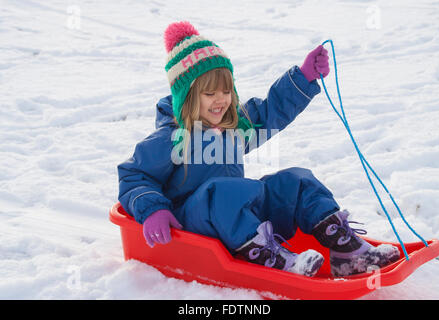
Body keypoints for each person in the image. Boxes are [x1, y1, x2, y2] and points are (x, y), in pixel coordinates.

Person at [117, 21, 400, 277]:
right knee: (222, 191)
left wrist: (303, 77)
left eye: (226, 91)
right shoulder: (172, 137)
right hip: (190, 223)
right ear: (187, 97)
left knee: (296, 180)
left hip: (235, 214)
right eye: (210, 93)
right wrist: (153, 209)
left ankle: (346, 251)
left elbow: (269, 112)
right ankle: (272, 260)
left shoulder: (232, 125)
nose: (221, 101)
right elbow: (133, 175)